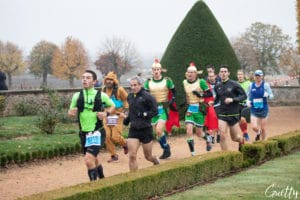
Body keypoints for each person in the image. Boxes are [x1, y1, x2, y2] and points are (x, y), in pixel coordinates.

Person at [68, 70, 115, 181]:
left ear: (94, 81)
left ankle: (93, 188)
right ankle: (103, 180)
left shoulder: (101, 95)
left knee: (88, 160)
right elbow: (70, 112)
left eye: (88, 78)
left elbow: (112, 106)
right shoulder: (77, 96)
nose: (84, 79)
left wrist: (106, 113)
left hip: (97, 132)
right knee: (95, 159)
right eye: (83, 77)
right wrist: (71, 113)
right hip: (83, 133)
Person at [123, 76, 160, 171]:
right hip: (134, 129)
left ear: (141, 85)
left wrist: (144, 114)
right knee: (132, 156)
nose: (133, 87)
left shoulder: (148, 96)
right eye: (131, 85)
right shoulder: (130, 96)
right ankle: (133, 179)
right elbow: (132, 111)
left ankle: (156, 161)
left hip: (146, 130)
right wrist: (127, 120)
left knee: (148, 156)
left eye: (135, 85)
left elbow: (155, 111)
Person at [144, 59, 177, 159]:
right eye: (154, 69)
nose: (156, 71)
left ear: (161, 70)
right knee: (158, 134)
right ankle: (166, 148)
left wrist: (172, 100)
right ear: (152, 71)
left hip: (163, 108)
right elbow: (145, 95)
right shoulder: (148, 82)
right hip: (153, 109)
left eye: (158, 69)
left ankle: (166, 148)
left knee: (159, 130)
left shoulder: (167, 80)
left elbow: (174, 92)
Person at [214, 65, 247, 151]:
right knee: (222, 135)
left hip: (233, 114)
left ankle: (241, 140)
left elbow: (244, 96)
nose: (223, 73)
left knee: (235, 138)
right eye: (222, 71)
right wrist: (211, 103)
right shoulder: (217, 86)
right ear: (219, 74)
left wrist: (233, 99)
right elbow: (217, 98)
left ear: (228, 73)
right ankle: (226, 157)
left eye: (225, 71)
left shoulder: (234, 84)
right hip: (222, 114)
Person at [183, 62, 213, 155]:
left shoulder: (201, 82)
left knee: (199, 133)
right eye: (188, 72)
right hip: (190, 110)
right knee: (189, 130)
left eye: (192, 72)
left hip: (199, 109)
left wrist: (200, 94)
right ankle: (193, 153)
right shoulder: (184, 82)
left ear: (196, 73)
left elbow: (210, 93)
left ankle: (208, 139)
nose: (190, 74)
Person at [102, 71, 129, 163]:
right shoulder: (103, 90)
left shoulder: (120, 89)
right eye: (107, 79)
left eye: (111, 80)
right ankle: (113, 155)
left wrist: (126, 111)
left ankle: (125, 144)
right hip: (107, 115)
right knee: (107, 136)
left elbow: (127, 99)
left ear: (114, 81)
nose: (109, 81)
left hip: (117, 116)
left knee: (115, 137)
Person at [247, 69, 274, 141]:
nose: (257, 77)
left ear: (262, 76)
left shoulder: (265, 85)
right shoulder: (251, 85)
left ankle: (263, 142)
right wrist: (247, 101)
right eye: (256, 76)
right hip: (254, 109)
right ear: (254, 76)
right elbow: (247, 95)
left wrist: (268, 95)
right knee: (254, 127)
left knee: (263, 128)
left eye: (259, 76)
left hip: (264, 109)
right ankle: (258, 132)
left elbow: (272, 96)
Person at [204, 71, 219, 146]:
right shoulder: (206, 85)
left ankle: (215, 134)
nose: (211, 78)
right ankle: (210, 138)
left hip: (218, 105)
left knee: (217, 122)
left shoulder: (219, 84)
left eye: (212, 76)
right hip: (209, 106)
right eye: (209, 76)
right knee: (209, 123)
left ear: (215, 76)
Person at [237, 70, 251, 141]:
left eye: (241, 74)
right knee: (240, 121)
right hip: (238, 104)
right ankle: (245, 132)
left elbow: (253, 92)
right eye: (238, 74)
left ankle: (245, 132)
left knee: (243, 119)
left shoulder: (249, 83)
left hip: (246, 104)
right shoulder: (235, 84)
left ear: (244, 75)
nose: (240, 76)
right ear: (237, 76)